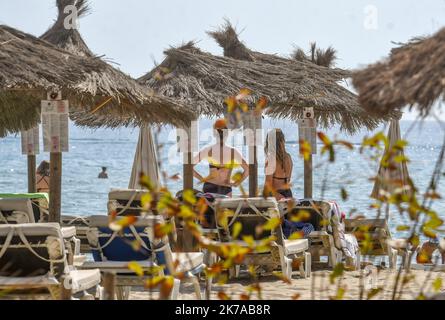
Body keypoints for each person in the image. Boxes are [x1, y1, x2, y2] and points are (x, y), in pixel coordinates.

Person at [193, 120, 249, 196]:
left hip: (209, 186)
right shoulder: (233, 151)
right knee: (226, 208)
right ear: (227, 134)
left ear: (214, 134)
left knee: (209, 208)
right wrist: (237, 183)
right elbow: (248, 169)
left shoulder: (208, 150)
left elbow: (188, 167)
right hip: (225, 188)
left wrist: (202, 179)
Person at [264, 129, 294, 200]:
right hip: (288, 194)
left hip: (277, 196)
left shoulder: (271, 159)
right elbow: (288, 179)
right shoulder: (288, 157)